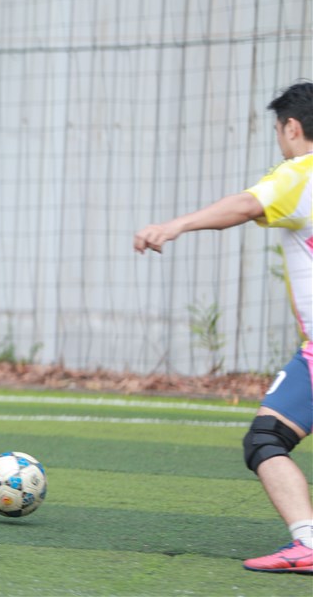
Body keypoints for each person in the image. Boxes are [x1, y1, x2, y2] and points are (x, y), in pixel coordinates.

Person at [133, 80, 313, 575]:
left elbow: (246, 204)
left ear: (291, 128)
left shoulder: (300, 173)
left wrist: (174, 226)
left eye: (278, 132)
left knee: (265, 440)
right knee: (267, 436)